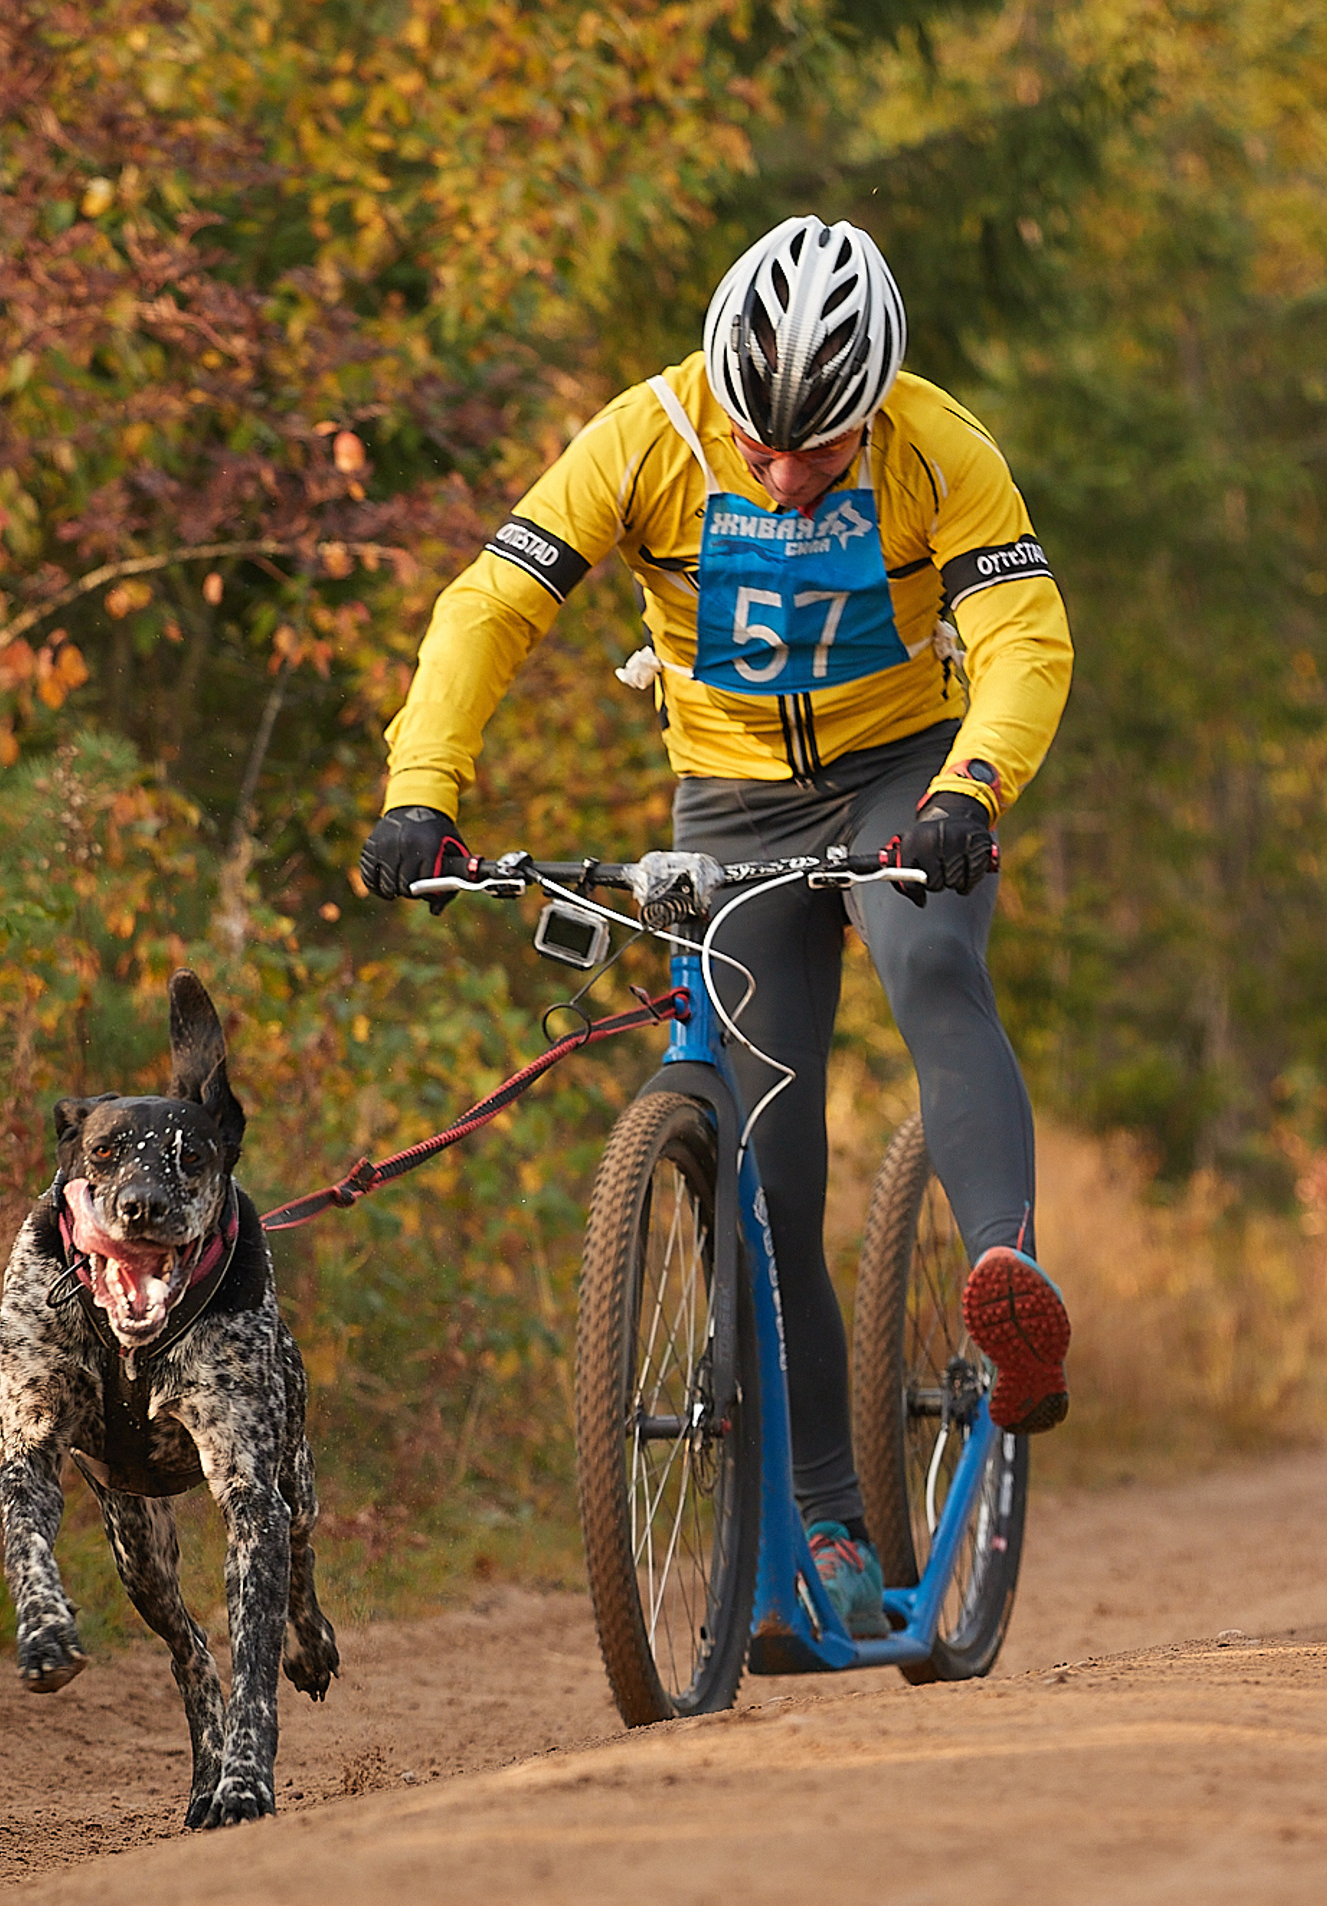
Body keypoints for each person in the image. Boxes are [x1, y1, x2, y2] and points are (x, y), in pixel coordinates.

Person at [359, 215, 1073, 1637]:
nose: (791, 474)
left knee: (932, 961)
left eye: (824, 450)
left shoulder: (942, 450)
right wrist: (421, 791)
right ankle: (826, 1523)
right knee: (772, 1164)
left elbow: (1023, 636)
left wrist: (968, 789)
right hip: (732, 799)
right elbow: (493, 602)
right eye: (765, 448)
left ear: (874, 407)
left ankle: (1008, 1282)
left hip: (898, 780)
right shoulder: (644, 436)